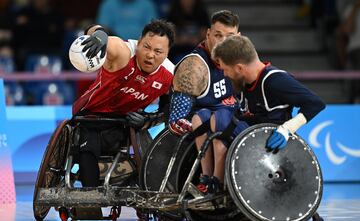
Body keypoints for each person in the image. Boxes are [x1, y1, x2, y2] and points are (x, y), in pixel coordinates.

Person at [72, 19, 175, 187]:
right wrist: (98, 35)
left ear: (167, 53)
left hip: (127, 122)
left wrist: (148, 119)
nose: (150, 55)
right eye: (146, 47)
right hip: (92, 115)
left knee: (152, 151)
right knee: (89, 147)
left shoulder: (171, 75)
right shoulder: (123, 52)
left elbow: (169, 108)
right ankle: (89, 194)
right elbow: (94, 31)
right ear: (139, 41)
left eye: (158, 51)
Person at [211, 35, 325, 180]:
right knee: (206, 117)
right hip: (251, 135)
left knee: (221, 118)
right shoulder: (243, 82)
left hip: (269, 140)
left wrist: (287, 129)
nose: (225, 74)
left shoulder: (275, 80)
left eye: (226, 69)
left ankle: (216, 182)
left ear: (239, 68)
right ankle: (211, 179)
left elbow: (316, 103)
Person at [168, 10, 240, 194]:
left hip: (236, 121)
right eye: (218, 35)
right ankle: (210, 180)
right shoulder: (193, 67)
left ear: (238, 37)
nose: (223, 41)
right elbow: (176, 121)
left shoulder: (239, 58)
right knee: (206, 117)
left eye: (229, 36)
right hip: (210, 128)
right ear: (207, 34)